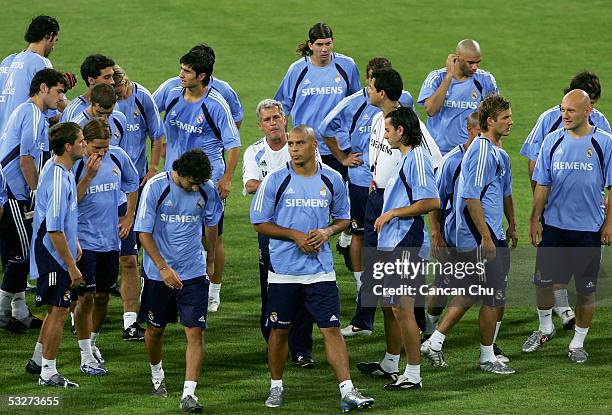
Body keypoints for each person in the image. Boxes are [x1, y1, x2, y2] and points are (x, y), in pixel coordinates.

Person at [250, 125, 374, 412]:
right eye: (290, 144)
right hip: (283, 270)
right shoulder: (275, 181)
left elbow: (343, 218)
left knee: (330, 329)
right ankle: (276, 387)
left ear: (314, 145)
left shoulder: (331, 179)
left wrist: (327, 231)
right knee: (280, 331)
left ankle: (347, 390)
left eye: (299, 143)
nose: (293, 149)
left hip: (320, 270)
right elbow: (259, 222)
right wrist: (294, 235)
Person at [423, 94, 517, 375]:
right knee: (490, 295)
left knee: (474, 290)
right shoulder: (483, 151)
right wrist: (486, 238)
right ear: (490, 121)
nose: (511, 122)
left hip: (492, 233)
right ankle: (486, 357)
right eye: (505, 118)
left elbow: (502, 194)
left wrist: (510, 225)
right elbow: (470, 199)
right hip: (481, 235)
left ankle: (435, 341)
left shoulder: (497, 152)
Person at [317, 57, 413, 322]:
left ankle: (414, 322)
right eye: (371, 81)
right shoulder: (361, 108)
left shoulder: (405, 108)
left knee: (397, 255)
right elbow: (325, 128)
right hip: (366, 184)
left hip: (397, 194)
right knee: (366, 239)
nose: (371, 87)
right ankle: (365, 294)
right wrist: (344, 156)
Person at [524, 89, 612, 363]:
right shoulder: (551, 140)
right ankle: (545, 327)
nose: (565, 115)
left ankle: (577, 342)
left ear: (588, 111)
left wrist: (609, 223)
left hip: (588, 229)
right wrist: (534, 218)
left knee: (586, 290)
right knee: (543, 283)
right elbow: (542, 185)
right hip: (554, 227)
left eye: (571, 110)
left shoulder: (604, 142)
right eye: (563, 109)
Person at [135, 149, 223, 412]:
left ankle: (189, 394)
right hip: (158, 275)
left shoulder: (206, 189)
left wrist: (209, 259)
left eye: (199, 182)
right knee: (155, 330)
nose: (195, 186)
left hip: (193, 273)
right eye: (191, 181)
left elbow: (211, 223)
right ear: (179, 173)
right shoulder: (156, 187)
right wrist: (163, 268)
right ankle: (157, 375)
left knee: (195, 332)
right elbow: (144, 233)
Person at [159, 48, 241, 313]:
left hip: (207, 182)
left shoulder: (216, 103)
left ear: (202, 76)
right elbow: (149, 112)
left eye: (186, 71)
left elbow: (233, 144)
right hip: (172, 178)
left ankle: (213, 290)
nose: (180, 75)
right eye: (181, 69)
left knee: (211, 238)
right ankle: (167, 284)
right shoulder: (172, 91)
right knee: (168, 232)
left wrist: (227, 179)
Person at [243, 99, 320, 366]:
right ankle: (274, 342)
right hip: (271, 228)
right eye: (267, 120)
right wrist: (287, 181)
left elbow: (313, 175)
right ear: (260, 125)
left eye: (276, 117)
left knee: (306, 285)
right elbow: (251, 184)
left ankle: (301, 349)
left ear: (284, 119)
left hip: (303, 224)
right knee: (272, 286)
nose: (273, 123)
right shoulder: (254, 152)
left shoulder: (302, 144)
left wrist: (276, 186)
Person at [370, 107, 440, 390]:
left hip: (405, 241)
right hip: (394, 241)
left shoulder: (418, 159)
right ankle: (390, 363)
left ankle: (413, 374)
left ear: (401, 131)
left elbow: (431, 201)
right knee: (392, 305)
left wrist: (392, 213)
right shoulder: (406, 156)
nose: (385, 135)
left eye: (388, 130)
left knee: (402, 308)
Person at [0, 68, 67, 333]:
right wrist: (37, 192)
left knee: (20, 254)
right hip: (16, 195)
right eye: (58, 91)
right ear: (43, 88)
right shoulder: (31, 114)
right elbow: (25, 159)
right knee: (22, 254)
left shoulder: (33, 113)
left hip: (17, 194)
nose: (60, 97)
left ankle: (18, 310)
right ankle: (3, 311)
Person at [71, 118, 138, 375]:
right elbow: (69, 202)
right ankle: (86, 355)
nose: (102, 153)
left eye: (105, 147)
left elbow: (132, 184)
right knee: (85, 297)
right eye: (97, 147)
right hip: (83, 240)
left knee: (102, 296)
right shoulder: (76, 165)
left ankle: (92, 342)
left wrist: (129, 215)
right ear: (84, 143)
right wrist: (87, 177)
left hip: (110, 240)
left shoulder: (118, 157)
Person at [29, 121, 84, 388]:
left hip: (56, 249)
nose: (84, 144)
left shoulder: (57, 167)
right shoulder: (60, 179)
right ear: (67, 146)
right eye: (81, 141)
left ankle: (38, 361)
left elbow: (63, 222)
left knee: (55, 309)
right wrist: (71, 265)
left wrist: (75, 244)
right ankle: (48, 373)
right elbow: (53, 229)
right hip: (52, 253)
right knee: (60, 311)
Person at [113, 65, 165, 340]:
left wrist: (153, 169)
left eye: (119, 89)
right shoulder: (100, 105)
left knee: (130, 256)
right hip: (104, 192)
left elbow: (157, 135)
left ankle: (130, 320)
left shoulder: (142, 97)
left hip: (134, 188)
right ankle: (79, 314)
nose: (117, 94)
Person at [274, 22, 361, 178]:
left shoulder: (347, 66)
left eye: (328, 44)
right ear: (311, 45)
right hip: (306, 147)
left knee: (338, 197)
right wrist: (282, 140)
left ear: (333, 42)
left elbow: (357, 105)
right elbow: (282, 107)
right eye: (319, 44)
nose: (324, 49)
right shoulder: (297, 70)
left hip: (338, 146)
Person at [418, 39, 498, 155]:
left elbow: (495, 117)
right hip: (438, 153)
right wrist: (448, 77)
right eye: (470, 63)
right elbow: (431, 110)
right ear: (458, 58)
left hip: (471, 152)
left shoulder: (486, 80)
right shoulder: (437, 77)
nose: (475, 67)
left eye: (478, 62)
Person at [153, 43, 243, 129]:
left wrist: (224, 142)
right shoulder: (170, 86)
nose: (181, 75)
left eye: (188, 70)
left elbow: (236, 117)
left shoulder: (224, 90)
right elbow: (147, 112)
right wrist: (159, 143)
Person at [0, 16, 65, 131]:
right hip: (23, 135)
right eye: (55, 41)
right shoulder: (41, 62)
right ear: (48, 36)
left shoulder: (7, 61)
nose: (53, 47)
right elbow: (53, 114)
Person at [60, 54, 115, 122]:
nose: (112, 82)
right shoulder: (74, 111)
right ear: (91, 80)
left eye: (112, 76)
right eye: (107, 77)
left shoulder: (112, 103)